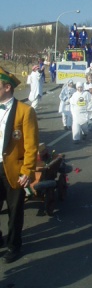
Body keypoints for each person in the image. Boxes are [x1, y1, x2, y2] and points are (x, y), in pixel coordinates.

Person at [0, 66, 39, 263]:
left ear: (7, 87)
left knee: (15, 211)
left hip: (14, 169)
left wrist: (28, 170)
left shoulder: (25, 111)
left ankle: (13, 245)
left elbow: (31, 145)